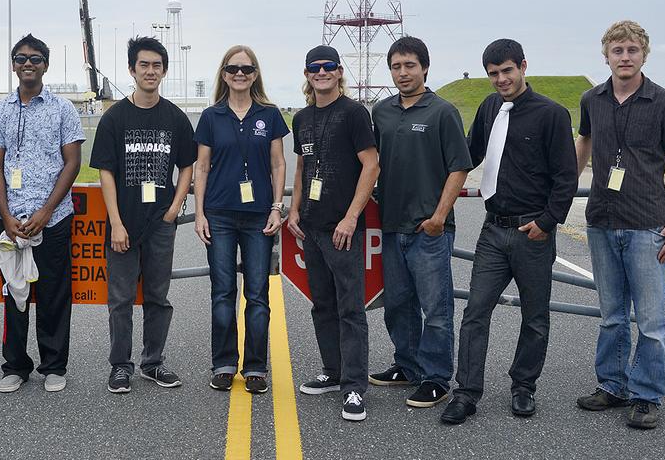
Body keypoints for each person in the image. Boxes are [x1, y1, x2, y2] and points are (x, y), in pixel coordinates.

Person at [441, 39, 577, 425]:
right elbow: (470, 155)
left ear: (523, 66)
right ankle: (466, 393)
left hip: (533, 231)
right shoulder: (488, 108)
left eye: (507, 71)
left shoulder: (551, 114)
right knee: (475, 312)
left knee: (535, 317)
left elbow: (566, 178)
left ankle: (523, 387)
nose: (501, 79)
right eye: (493, 74)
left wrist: (547, 223)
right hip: (493, 231)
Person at [574, 21, 665, 430]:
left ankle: (647, 394)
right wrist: (565, 189)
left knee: (652, 320)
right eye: (617, 50)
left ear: (644, 54)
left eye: (632, 50)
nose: (625, 57)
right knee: (611, 314)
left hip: (647, 224)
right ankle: (612, 385)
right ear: (605, 55)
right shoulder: (592, 99)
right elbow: (584, 143)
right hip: (602, 220)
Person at [370, 36, 471, 408]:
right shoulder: (381, 112)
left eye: (409, 65)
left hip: (429, 228)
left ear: (425, 68)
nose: (402, 73)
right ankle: (407, 365)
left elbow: (459, 167)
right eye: (396, 66)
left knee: (436, 307)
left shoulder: (442, 111)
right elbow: (370, 165)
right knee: (398, 303)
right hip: (391, 225)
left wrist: (439, 218)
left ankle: (436, 377)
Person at [90, 36, 195, 394]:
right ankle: (121, 366)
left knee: (157, 297)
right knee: (120, 299)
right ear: (132, 70)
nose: (150, 71)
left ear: (164, 71)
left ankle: (153, 362)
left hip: (160, 225)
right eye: (144, 65)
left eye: (156, 66)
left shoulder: (175, 118)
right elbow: (105, 172)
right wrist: (116, 223)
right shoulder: (114, 118)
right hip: (124, 224)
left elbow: (187, 166)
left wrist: (176, 205)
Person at [0, 34, 84, 393]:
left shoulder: (63, 109)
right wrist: (5, 215)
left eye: (36, 58)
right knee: (14, 291)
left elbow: (72, 163)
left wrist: (46, 210)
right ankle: (15, 365)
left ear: (46, 65)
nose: (29, 63)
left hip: (53, 218)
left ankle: (54, 366)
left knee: (55, 292)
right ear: (13, 64)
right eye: (22, 58)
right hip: (11, 220)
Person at [288, 45, 379, 422]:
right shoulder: (302, 118)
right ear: (307, 74)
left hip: (342, 229)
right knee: (322, 304)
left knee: (350, 309)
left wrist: (351, 217)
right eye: (315, 68)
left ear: (339, 72)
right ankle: (333, 370)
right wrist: (293, 208)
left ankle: (355, 387)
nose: (321, 73)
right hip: (310, 226)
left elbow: (371, 165)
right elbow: (302, 167)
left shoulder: (354, 114)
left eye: (328, 67)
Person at [193, 45, 288, 394]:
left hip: (259, 216)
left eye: (247, 69)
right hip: (218, 214)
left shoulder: (270, 114)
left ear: (255, 74)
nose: (240, 74)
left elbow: (279, 164)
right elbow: (201, 167)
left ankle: (256, 367)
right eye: (233, 69)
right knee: (223, 292)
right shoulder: (211, 116)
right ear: (224, 73)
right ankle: (223, 363)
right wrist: (200, 212)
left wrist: (277, 206)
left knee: (258, 294)